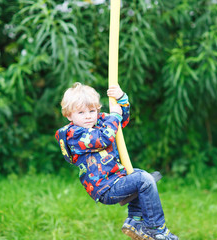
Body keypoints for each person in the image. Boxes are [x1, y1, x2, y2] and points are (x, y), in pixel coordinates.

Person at [55, 82, 178, 240]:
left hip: (116, 178)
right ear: (69, 115)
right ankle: (157, 230)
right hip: (106, 187)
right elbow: (103, 139)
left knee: (144, 177)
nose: (88, 116)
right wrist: (114, 117)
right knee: (144, 180)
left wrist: (121, 98)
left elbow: (121, 119)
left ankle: (135, 220)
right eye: (81, 112)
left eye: (92, 110)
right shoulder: (75, 134)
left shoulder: (99, 122)